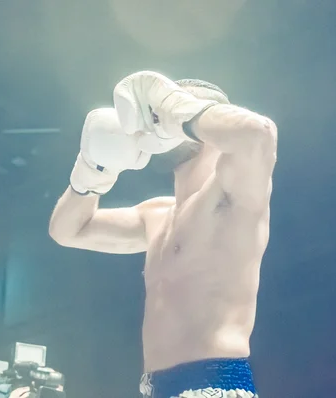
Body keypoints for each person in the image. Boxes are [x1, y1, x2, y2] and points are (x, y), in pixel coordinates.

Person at [49, 71, 277, 398]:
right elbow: (66, 231)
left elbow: (259, 134)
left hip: (216, 385)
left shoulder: (231, 197)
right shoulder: (155, 215)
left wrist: (181, 111)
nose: (159, 121)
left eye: (169, 109)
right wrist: (92, 170)